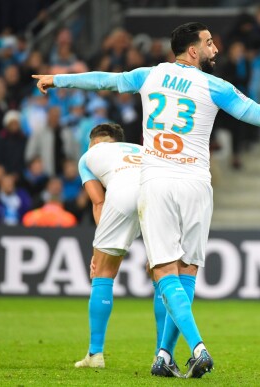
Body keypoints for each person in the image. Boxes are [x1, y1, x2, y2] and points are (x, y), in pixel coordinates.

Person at [33, 21, 260, 378]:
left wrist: (57, 79)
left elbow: (102, 79)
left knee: (164, 272)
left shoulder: (148, 76)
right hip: (197, 184)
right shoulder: (216, 86)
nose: (214, 49)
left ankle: (190, 349)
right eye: (209, 43)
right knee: (186, 273)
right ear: (192, 51)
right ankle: (165, 354)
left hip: (157, 182)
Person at [72, 123, 153, 370]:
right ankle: (163, 355)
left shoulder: (89, 157)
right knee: (163, 273)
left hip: (122, 195)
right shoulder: (142, 149)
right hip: (159, 193)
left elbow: (98, 202)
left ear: (93, 144)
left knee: (102, 273)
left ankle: (95, 354)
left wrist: (99, 251)